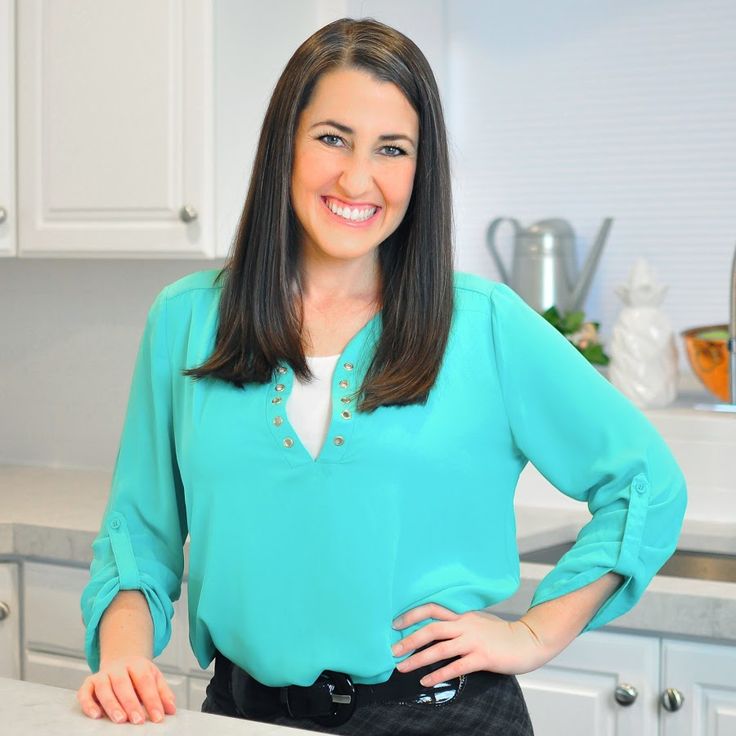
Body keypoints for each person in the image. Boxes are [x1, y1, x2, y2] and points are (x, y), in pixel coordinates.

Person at [76, 17, 687, 735]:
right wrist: (120, 660)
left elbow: (645, 485)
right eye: (332, 138)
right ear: (286, 145)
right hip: (242, 717)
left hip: (446, 717)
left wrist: (535, 633)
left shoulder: (485, 324)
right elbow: (139, 535)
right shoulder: (184, 321)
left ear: (421, 170)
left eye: (391, 149)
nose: (357, 178)